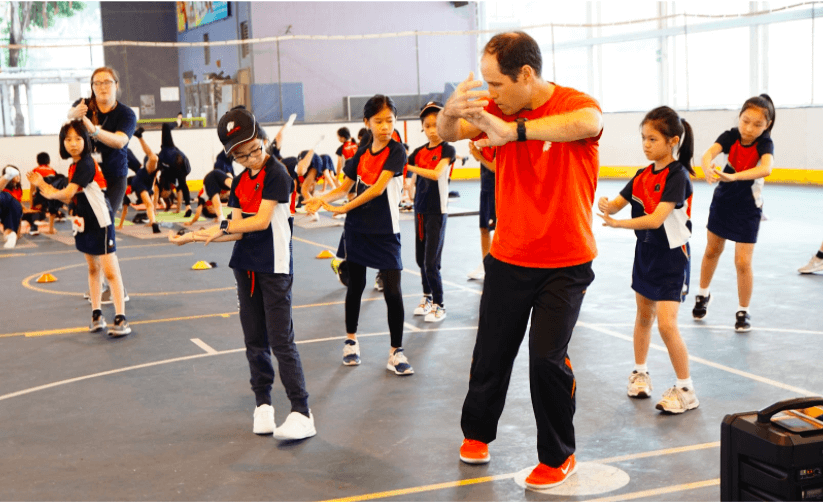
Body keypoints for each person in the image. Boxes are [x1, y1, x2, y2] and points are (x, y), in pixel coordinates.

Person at [437, 31, 602, 490]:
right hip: (510, 257)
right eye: (485, 85)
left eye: (497, 84)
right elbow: (449, 134)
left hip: (565, 262)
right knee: (491, 353)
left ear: (525, 74)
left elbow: (588, 123)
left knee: (546, 360)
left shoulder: (574, 102)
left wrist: (517, 132)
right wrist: (451, 113)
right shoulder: (496, 109)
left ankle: (557, 455)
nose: (490, 95)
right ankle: (477, 434)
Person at [169, 107, 315, 441]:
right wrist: (196, 234)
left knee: (281, 341)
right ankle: (263, 404)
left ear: (263, 140)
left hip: (274, 269)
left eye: (255, 150)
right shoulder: (240, 183)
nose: (250, 158)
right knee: (254, 340)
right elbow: (235, 230)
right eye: (241, 155)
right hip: (245, 267)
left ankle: (302, 411)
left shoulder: (277, 173)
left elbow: (260, 221)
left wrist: (218, 226)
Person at [597, 106, 699, 414]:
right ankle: (640, 373)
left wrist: (618, 224)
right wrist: (604, 204)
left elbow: (656, 220)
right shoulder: (642, 176)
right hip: (645, 256)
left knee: (667, 325)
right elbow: (614, 205)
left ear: (673, 141)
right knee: (643, 317)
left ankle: (686, 389)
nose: (646, 145)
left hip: (672, 260)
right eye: (643, 138)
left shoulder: (678, 177)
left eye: (652, 139)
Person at [304, 94, 412, 376]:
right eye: (379, 121)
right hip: (358, 231)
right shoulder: (359, 156)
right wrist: (321, 199)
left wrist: (341, 209)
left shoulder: (397, 152)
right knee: (356, 286)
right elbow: (343, 187)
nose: (386, 126)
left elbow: (376, 189)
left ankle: (395, 352)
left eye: (390, 120)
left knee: (393, 291)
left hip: (387, 232)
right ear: (367, 123)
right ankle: (351, 341)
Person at [27, 121, 130, 337]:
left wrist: (43, 186)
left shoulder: (86, 164)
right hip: (84, 223)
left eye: (78, 138)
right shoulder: (73, 165)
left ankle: (121, 318)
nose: (73, 144)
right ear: (62, 143)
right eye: (68, 139)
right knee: (93, 269)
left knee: (111, 272)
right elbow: (72, 198)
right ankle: (96, 315)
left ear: (87, 141)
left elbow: (66, 193)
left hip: (101, 222)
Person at [692, 94, 775, 333]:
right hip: (724, 201)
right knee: (712, 250)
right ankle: (703, 294)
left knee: (742, 261)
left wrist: (735, 176)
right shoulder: (730, 136)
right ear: (739, 117)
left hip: (748, 206)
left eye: (757, 124)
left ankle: (743, 311)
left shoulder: (764, 144)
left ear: (767, 125)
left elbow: (766, 168)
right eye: (745, 121)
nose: (749, 128)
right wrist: (707, 168)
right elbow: (708, 154)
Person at [407, 101, 455, 322]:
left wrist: (410, 168)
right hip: (420, 211)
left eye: (436, 125)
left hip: (437, 211)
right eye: (427, 126)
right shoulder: (417, 152)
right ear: (422, 128)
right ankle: (427, 298)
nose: (432, 130)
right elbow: (402, 171)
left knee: (431, 263)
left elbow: (436, 174)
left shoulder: (447, 149)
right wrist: (408, 184)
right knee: (420, 260)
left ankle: (439, 304)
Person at [467, 137, 496, 280]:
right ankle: (486, 264)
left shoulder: (500, 141)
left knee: (499, 230)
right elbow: (484, 161)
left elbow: (494, 167)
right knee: (484, 228)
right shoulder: (484, 139)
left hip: (499, 190)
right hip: (485, 188)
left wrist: (478, 156)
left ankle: (497, 265)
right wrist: (475, 152)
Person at [155, 123, 193, 217]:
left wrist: (153, 209)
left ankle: (178, 122)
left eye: (163, 194)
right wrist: (179, 209)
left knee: (165, 126)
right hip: (175, 159)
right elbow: (180, 191)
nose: (163, 194)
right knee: (182, 184)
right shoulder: (168, 178)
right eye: (165, 195)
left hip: (175, 160)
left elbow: (156, 189)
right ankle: (188, 207)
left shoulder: (163, 179)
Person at [0, 166, 23, 249]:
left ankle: (11, 235)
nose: (18, 177)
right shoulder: (6, 190)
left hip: (12, 205)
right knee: (9, 229)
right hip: (12, 205)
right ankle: (10, 235)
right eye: (16, 175)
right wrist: (17, 233)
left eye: (18, 175)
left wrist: (18, 232)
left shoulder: (18, 189)